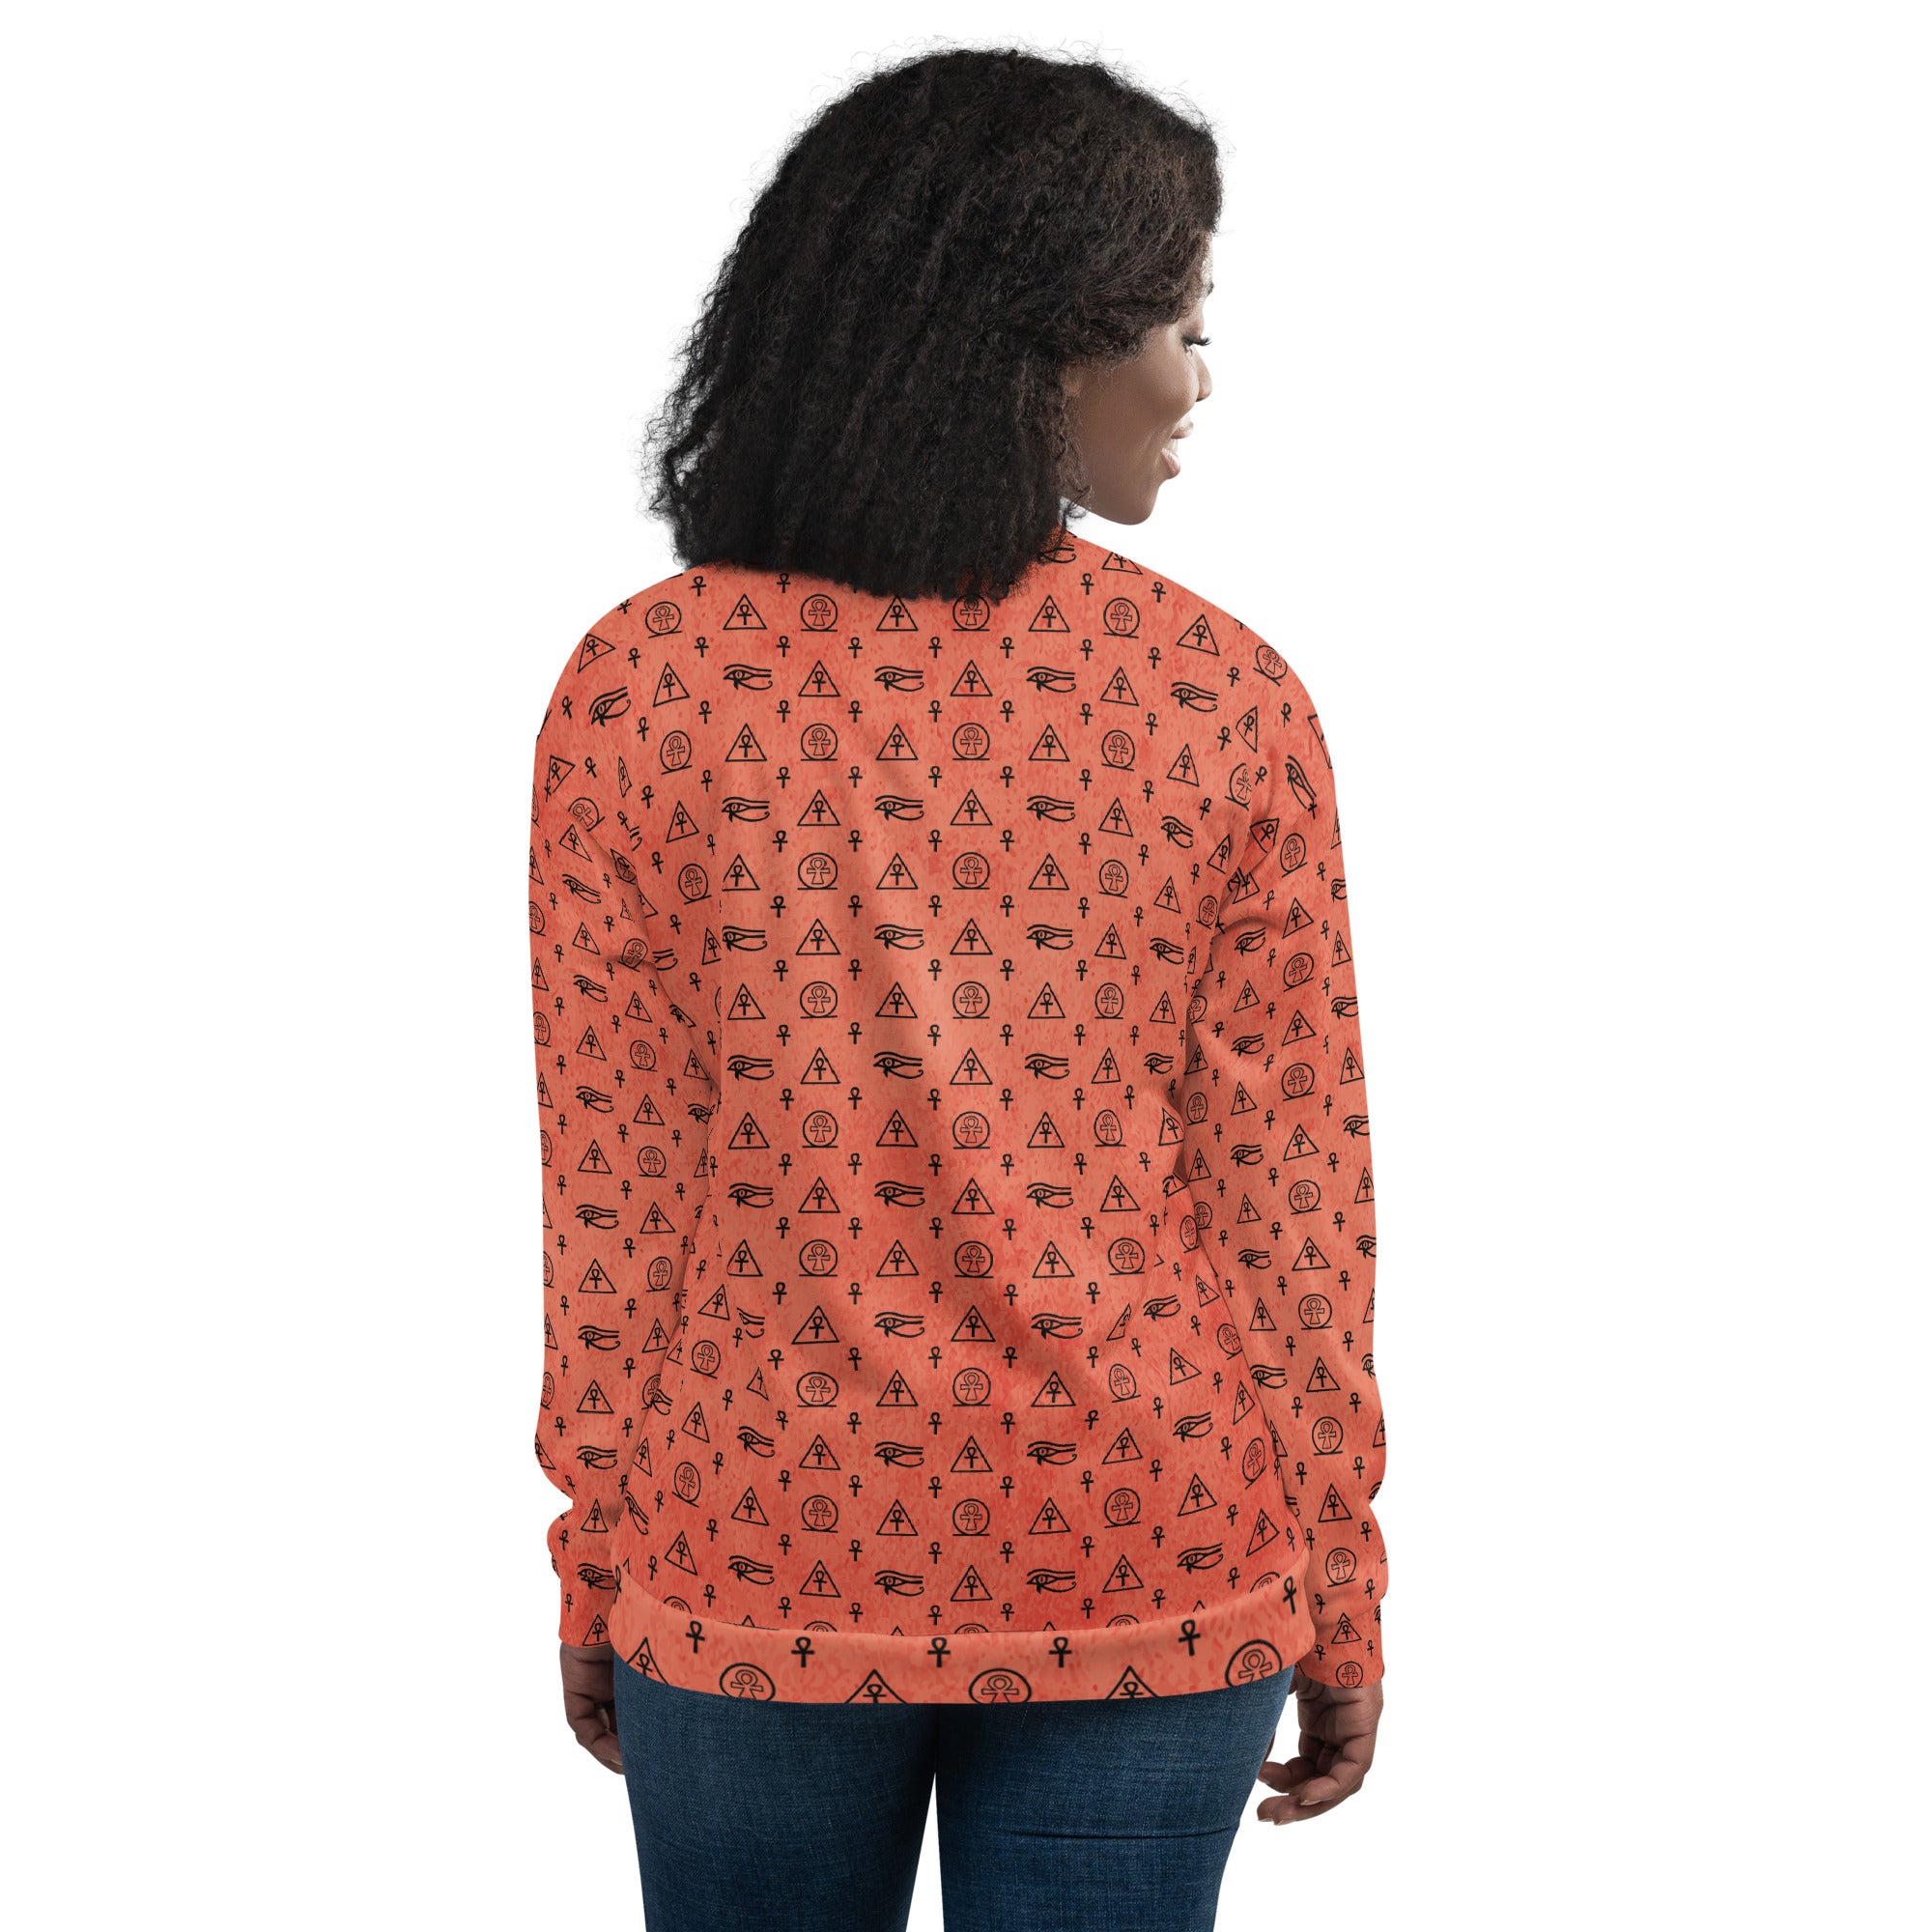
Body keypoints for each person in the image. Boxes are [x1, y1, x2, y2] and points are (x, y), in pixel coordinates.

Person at [527, 43, 1388, 1932]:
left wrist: (600, 1555)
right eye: (1178, 325)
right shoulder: (1222, 699)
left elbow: (618, 1200)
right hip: (1152, 1549)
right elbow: (1290, 1211)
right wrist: (1338, 1572)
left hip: (754, 1549)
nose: (1196, 381)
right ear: (1042, 346)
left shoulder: (643, 690)